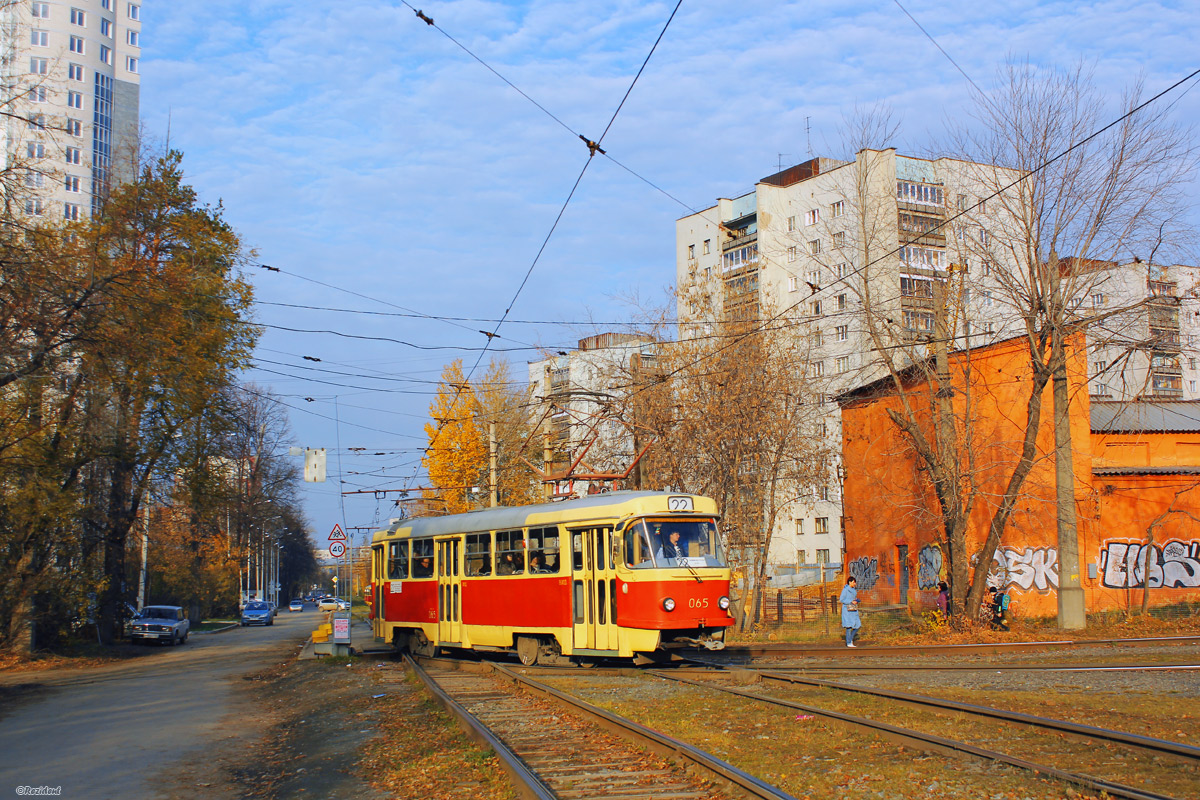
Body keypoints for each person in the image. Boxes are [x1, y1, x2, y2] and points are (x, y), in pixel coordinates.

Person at [839, 576, 862, 647]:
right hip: (847, 610)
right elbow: (842, 599)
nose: (855, 584)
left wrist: (855, 601)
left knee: (857, 625)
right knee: (848, 626)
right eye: (853, 582)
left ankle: (850, 638)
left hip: (853, 609)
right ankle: (849, 642)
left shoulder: (853, 590)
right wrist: (850, 601)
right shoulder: (845, 590)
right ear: (850, 582)